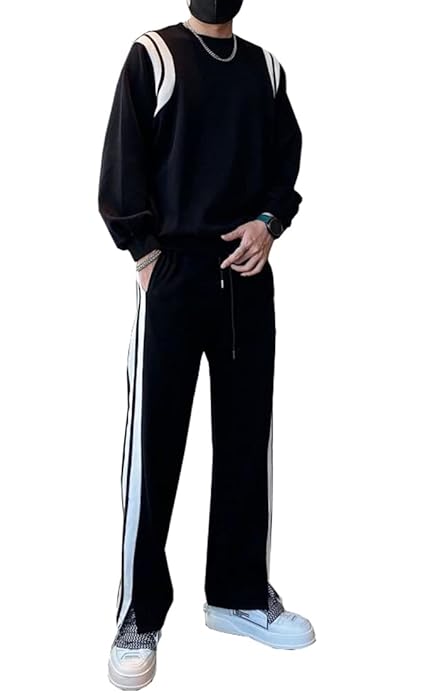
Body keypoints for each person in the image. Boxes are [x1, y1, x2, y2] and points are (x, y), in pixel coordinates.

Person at [98, 0, 315, 688]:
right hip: (174, 271)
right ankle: (138, 614)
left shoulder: (265, 69)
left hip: (246, 276)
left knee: (247, 436)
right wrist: (145, 254)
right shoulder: (155, 55)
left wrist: (268, 222)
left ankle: (237, 594)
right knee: (155, 444)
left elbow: (284, 163)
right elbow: (123, 159)